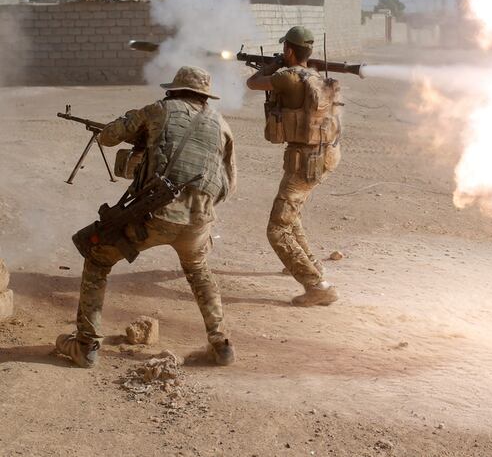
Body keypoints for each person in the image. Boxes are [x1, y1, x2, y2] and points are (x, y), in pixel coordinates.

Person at [55, 66, 237, 368]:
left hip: (154, 216)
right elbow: (228, 186)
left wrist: (139, 135)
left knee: (98, 256)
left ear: (174, 91)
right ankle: (221, 343)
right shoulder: (222, 125)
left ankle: (85, 345)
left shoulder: (158, 111)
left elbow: (109, 136)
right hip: (199, 221)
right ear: (204, 97)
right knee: (198, 270)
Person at [246, 26, 341, 307]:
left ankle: (317, 285)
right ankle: (306, 264)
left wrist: (273, 65)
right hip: (322, 156)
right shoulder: (315, 78)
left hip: (304, 161)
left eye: (284, 51)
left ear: (288, 50)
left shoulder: (286, 77)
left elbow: (253, 82)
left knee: (277, 228)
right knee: (291, 214)